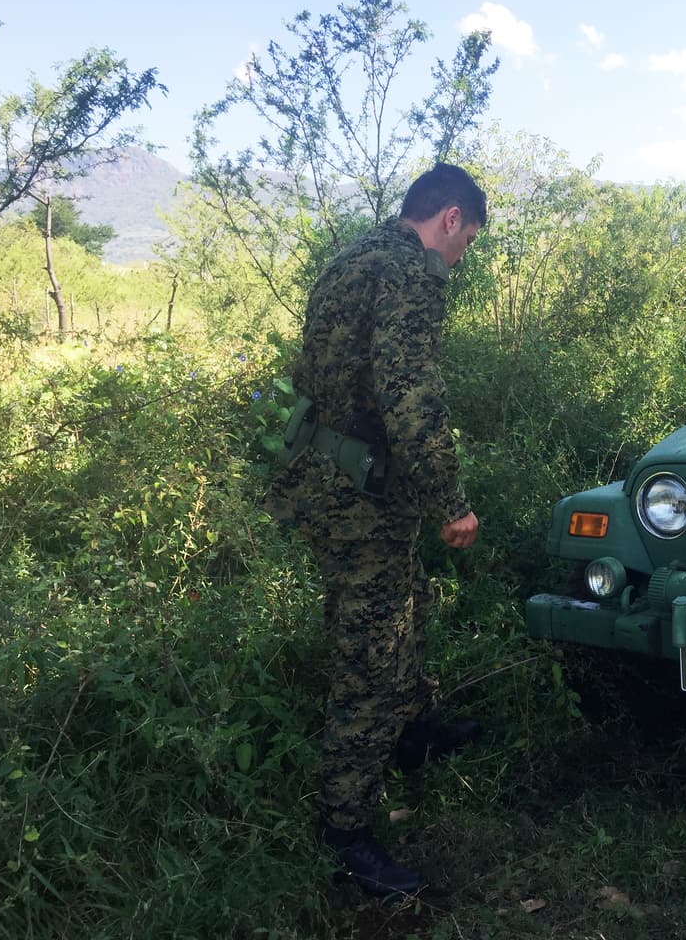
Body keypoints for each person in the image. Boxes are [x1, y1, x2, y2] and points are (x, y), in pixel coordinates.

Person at [267, 163, 487, 898]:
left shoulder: (352, 257)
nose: (460, 257)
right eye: (466, 241)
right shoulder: (411, 272)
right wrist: (451, 500)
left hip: (329, 478)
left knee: (408, 602)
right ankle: (345, 833)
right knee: (371, 658)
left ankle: (414, 733)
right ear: (450, 219)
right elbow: (409, 392)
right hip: (359, 497)